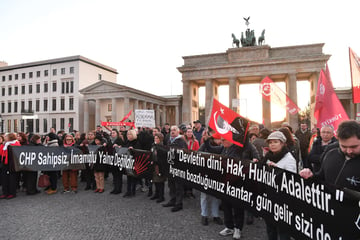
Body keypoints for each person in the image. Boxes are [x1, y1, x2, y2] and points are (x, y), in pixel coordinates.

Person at [300, 120, 360, 192]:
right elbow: (321, 177)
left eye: (354, 147)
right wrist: (311, 175)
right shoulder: (330, 153)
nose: (349, 151)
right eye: (344, 146)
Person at [264, 131, 297, 240]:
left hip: (283, 201)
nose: (272, 145)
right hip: (269, 198)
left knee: (283, 230)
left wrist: (277, 169)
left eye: (275, 142)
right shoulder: (267, 157)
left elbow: (291, 179)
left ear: (282, 143)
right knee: (270, 227)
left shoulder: (289, 159)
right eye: (270, 142)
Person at [198, 130, 223, 226]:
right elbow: (198, 153)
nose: (220, 141)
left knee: (215, 196)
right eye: (218, 139)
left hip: (217, 174)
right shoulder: (205, 145)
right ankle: (204, 215)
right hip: (206, 172)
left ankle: (215, 215)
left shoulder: (222, 147)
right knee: (204, 195)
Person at [162, 125, 188, 212]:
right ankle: (172, 200)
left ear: (178, 132)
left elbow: (185, 153)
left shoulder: (181, 141)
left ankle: (179, 203)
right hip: (170, 166)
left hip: (178, 167)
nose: (172, 132)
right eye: (171, 130)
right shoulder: (169, 140)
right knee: (171, 185)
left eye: (174, 130)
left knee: (178, 186)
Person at [0, 133, 21, 199]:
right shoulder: (6, 144)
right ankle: (5, 192)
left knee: (11, 180)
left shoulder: (15, 144)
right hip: (5, 164)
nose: (5, 137)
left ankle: (12, 193)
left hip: (11, 165)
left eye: (6, 136)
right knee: (4, 179)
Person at [123, 129, 142, 197]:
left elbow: (139, 152)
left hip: (134, 162)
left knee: (133, 177)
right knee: (128, 177)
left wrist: (133, 149)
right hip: (127, 161)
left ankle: (133, 191)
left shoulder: (137, 142)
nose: (128, 136)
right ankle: (128, 191)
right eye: (127, 134)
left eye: (130, 134)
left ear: (133, 135)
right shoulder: (127, 142)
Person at [149, 132, 167, 203]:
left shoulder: (162, 147)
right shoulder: (153, 146)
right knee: (155, 181)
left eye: (157, 138)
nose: (155, 139)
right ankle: (156, 194)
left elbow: (162, 158)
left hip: (160, 166)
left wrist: (156, 162)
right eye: (155, 138)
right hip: (154, 165)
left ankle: (161, 196)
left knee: (160, 182)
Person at [108, 129, 125, 194]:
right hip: (112, 158)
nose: (112, 134)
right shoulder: (110, 141)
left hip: (118, 159)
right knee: (114, 175)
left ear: (117, 134)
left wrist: (118, 146)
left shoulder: (119, 140)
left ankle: (119, 189)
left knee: (118, 175)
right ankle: (115, 188)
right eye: (112, 133)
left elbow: (123, 148)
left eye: (114, 133)